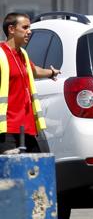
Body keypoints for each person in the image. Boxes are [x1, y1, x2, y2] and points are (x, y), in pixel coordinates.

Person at [0, 13, 60, 154]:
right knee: (11, 174)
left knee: (36, 169)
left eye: (30, 27)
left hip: (27, 128)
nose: (29, 31)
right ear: (11, 29)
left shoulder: (23, 54)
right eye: (25, 27)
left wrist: (51, 73)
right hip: (7, 130)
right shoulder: (1, 54)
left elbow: (34, 71)